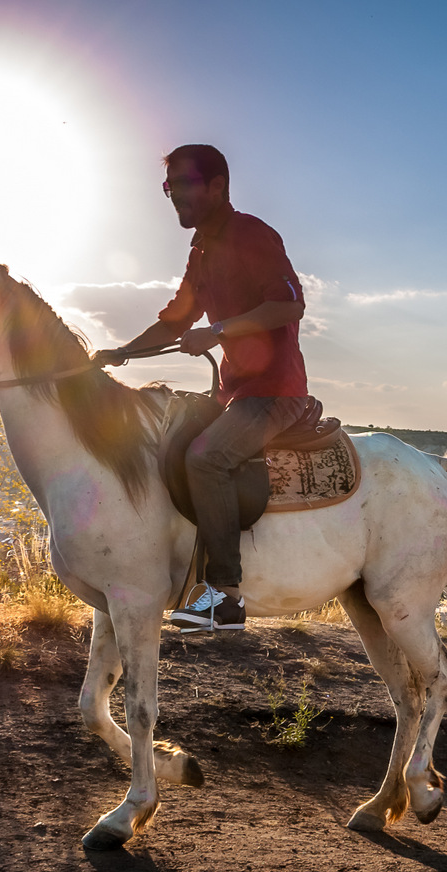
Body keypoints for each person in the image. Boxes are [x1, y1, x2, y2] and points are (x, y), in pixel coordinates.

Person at [110, 144, 310, 631]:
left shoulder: (253, 235)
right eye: (168, 187)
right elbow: (176, 320)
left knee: (206, 457)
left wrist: (217, 332)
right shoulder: (201, 250)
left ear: (217, 185)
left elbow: (288, 305)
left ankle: (226, 597)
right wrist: (117, 354)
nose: (174, 196)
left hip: (274, 392)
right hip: (235, 394)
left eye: (183, 185)